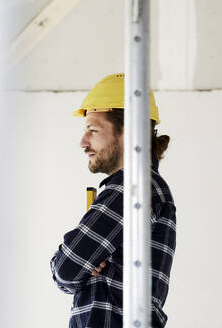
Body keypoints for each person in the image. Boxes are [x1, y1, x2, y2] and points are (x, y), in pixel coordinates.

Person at [50, 73, 176, 328]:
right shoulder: (138, 186)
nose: (83, 143)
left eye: (93, 130)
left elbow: (67, 268)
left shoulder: (133, 186)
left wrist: (82, 262)